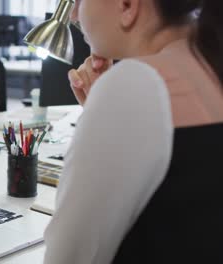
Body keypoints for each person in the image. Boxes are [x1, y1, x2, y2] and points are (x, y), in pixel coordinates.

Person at [44, 0, 223, 263]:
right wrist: (101, 113)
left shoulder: (136, 83)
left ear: (127, 6)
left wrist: (106, 106)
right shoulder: (210, 67)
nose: (73, 14)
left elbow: (69, 255)